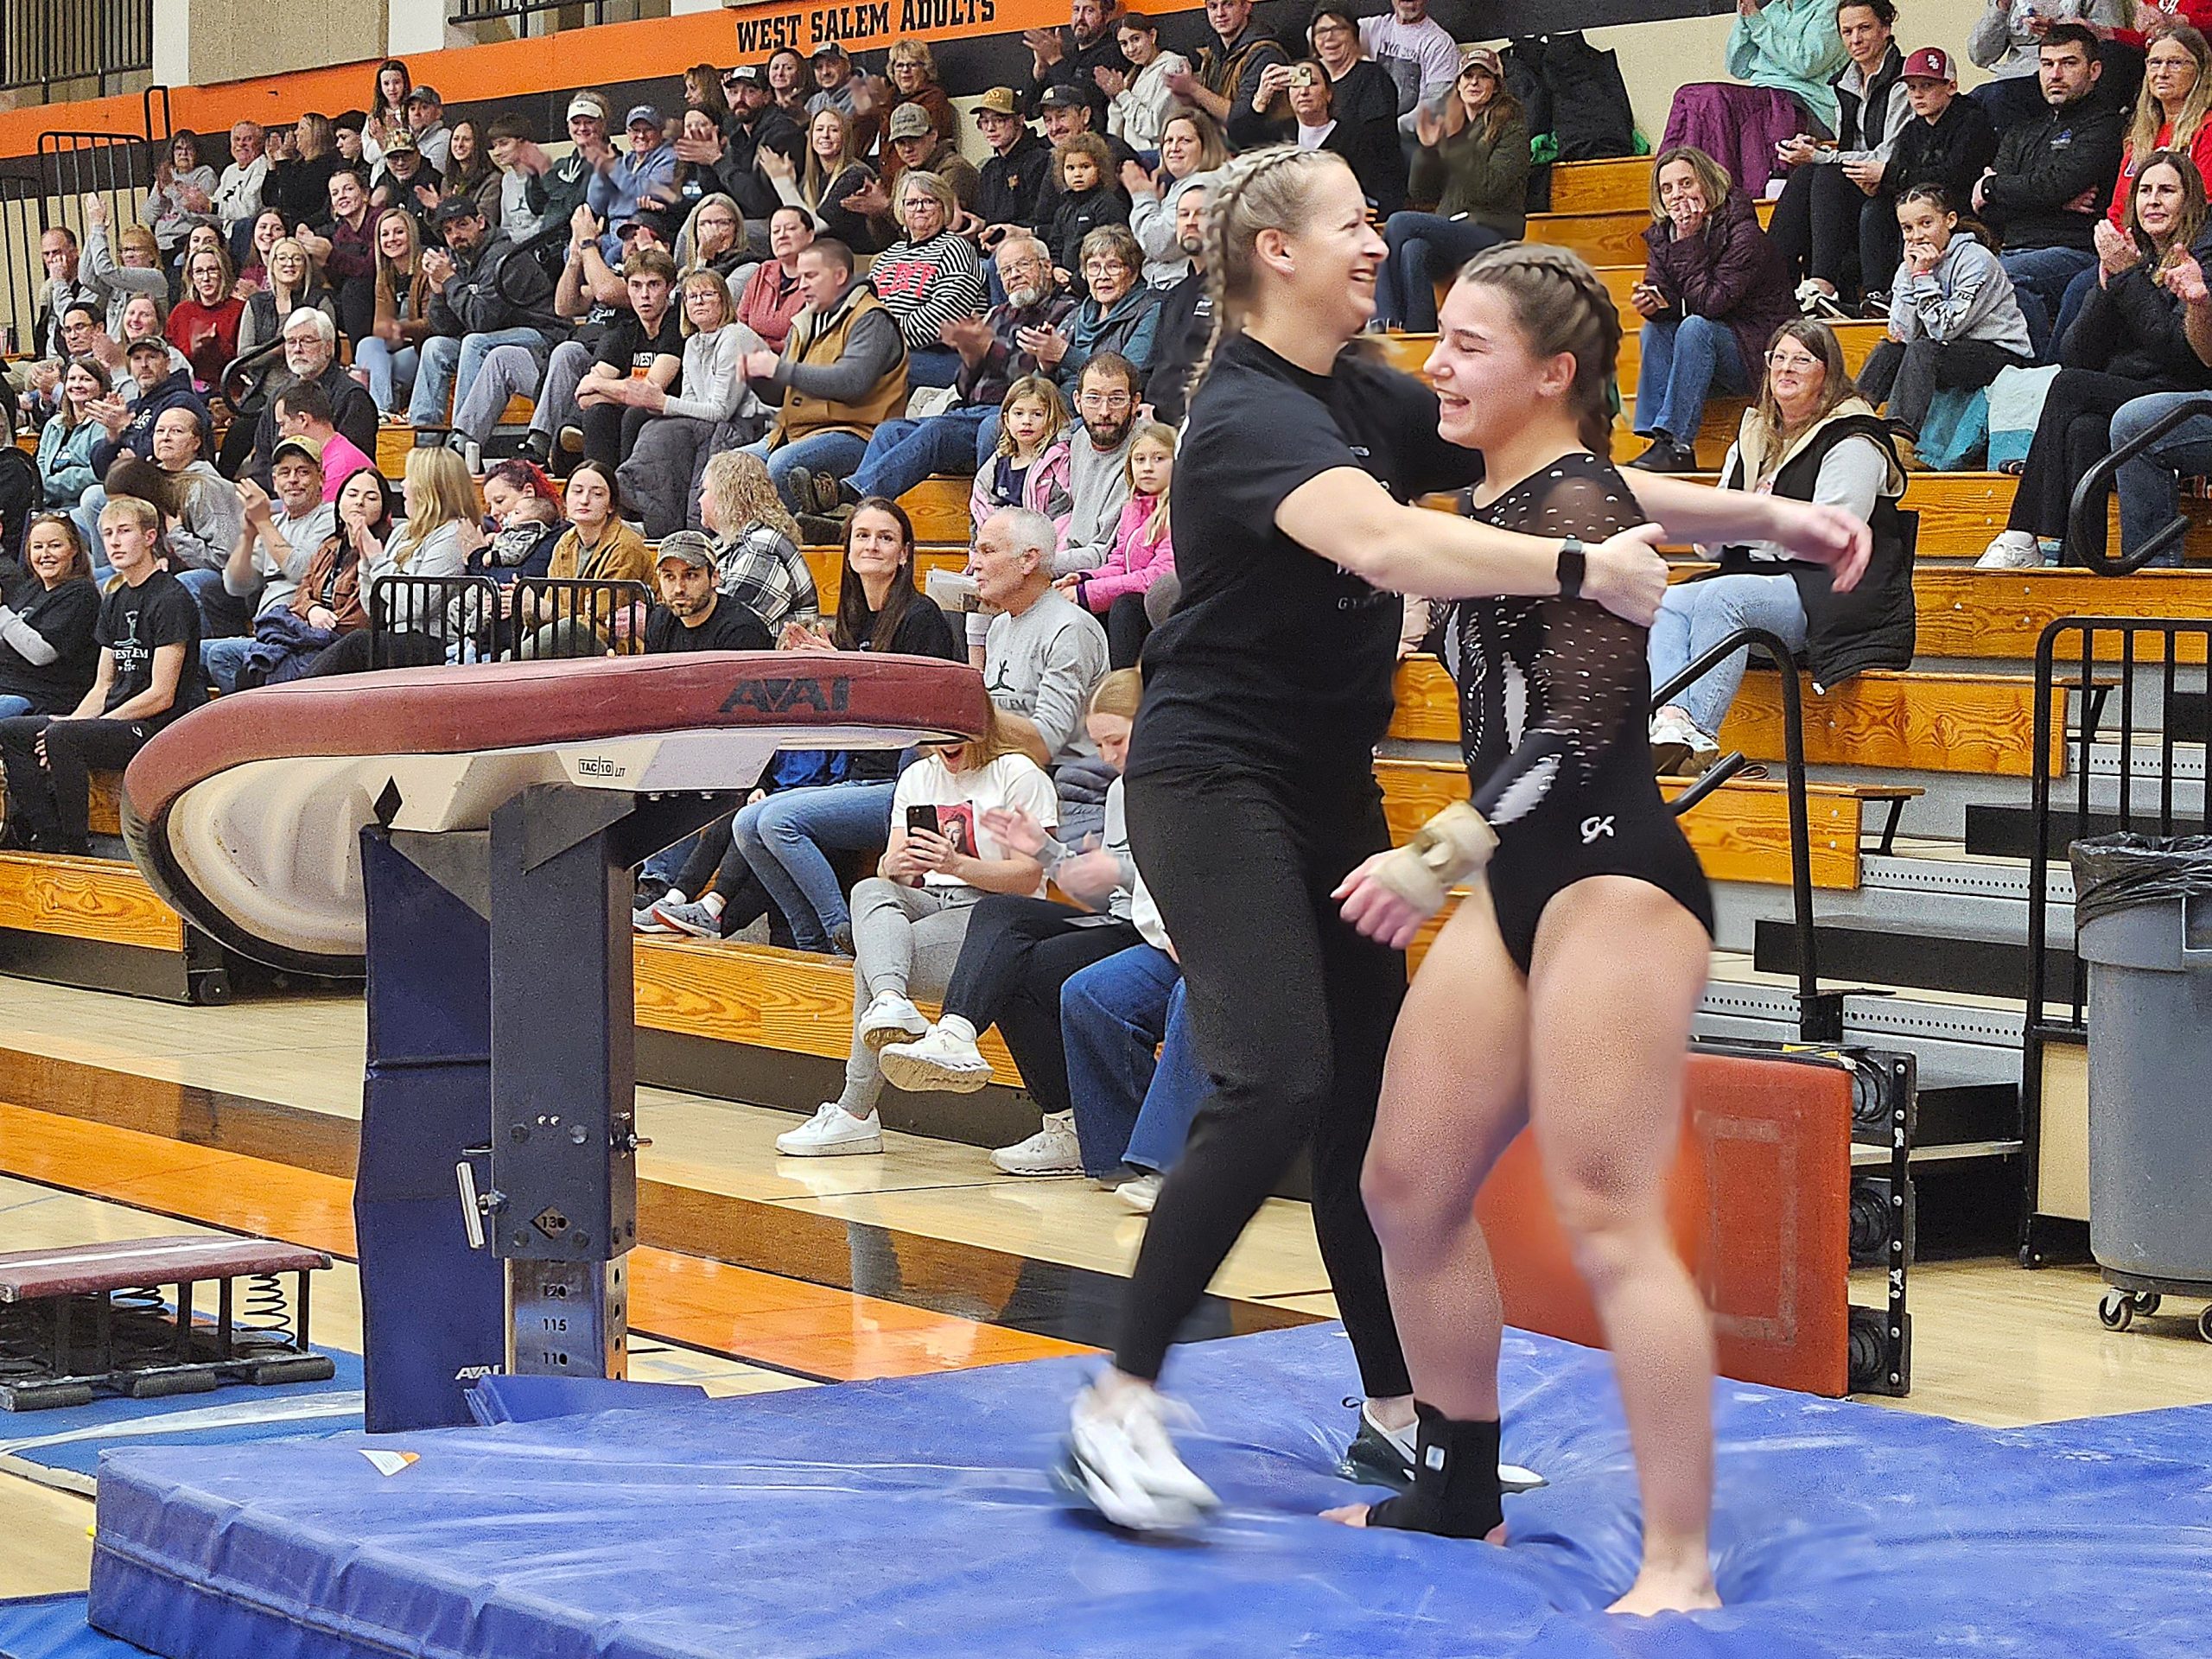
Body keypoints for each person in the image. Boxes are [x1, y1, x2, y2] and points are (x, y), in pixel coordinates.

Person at [1054, 143, 1871, 1541]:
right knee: (1277, 1080)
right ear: (1275, 256)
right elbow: (1392, 545)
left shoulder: (1359, 389)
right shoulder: (1248, 413)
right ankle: (1118, 1404)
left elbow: (1560, 480)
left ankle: (1406, 1422)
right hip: (1212, 773)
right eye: (1355, 224)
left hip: (1329, 782)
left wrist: (1770, 514)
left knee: (1382, 1122)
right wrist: (1577, 574)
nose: (1380, 245)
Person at [1313, 244, 1733, 1619]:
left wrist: (1445, 849)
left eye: (1469, 345)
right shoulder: (1499, 498)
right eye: (1438, 337)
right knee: (1407, 1185)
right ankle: (1459, 1481)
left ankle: (1680, 1558)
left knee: (1610, 1215)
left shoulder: (1583, 502)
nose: (1436, 363)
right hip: (1515, 884)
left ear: (1554, 375)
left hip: (1613, 877)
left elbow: (1582, 721)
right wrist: (1779, 524)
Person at [880, 670, 1145, 1171]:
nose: (1108, 757)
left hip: (1153, 932)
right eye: (1099, 744)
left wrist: (1107, 867)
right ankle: (959, 1036)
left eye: (1117, 741)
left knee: (1014, 961)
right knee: (1003, 926)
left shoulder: (1182, 786)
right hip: (1118, 918)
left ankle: (964, 1039)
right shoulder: (1121, 791)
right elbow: (1103, 887)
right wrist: (1043, 849)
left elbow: (1152, 874)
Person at [774, 701, 1061, 1157]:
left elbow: (1029, 877)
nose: (946, 742)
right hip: (929, 903)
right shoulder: (916, 778)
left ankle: (855, 1111)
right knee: (870, 888)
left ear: (980, 724)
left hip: (994, 919)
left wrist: (958, 864)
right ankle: (890, 1002)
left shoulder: (1018, 775)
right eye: (935, 731)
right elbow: (896, 878)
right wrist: (896, 864)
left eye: (957, 730)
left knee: (871, 963)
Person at [1649, 317, 1912, 772]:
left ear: (1827, 374)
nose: (1786, 369)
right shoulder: (1753, 437)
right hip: (1765, 584)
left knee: (1723, 596)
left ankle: (1699, 732)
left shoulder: (1853, 438)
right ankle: (1669, 723)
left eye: (1802, 360)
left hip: (1833, 594)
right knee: (1663, 602)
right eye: (1778, 358)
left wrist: (1749, 523)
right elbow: (1715, 540)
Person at [1981, 147, 2212, 566]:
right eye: (2144, 190)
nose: (2153, 200)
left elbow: (2182, 357)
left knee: (2070, 389)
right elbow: (2077, 356)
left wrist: (2126, 280)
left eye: (2167, 190)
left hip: (2183, 393)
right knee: (2084, 428)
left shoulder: (2201, 257)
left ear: (2190, 199)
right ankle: (2078, 563)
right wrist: (2106, 289)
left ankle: (2022, 533)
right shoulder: (2130, 256)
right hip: (2134, 389)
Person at [0, 496, 201, 855]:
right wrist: (73, 720)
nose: (114, 541)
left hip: (158, 724)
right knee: (14, 730)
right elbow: (103, 684)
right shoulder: (115, 597)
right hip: (113, 720)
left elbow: (162, 694)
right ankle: (46, 837)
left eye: (124, 532)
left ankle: (77, 848)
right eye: (107, 533)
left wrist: (80, 727)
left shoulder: (170, 598)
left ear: (150, 536)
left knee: (65, 737)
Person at [844, 234, 1077, 505]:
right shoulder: (997, 314)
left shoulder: (1064, 312)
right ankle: (860, 516)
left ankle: (853, 496)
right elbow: (965, 389)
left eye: (1023, 265)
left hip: (1010, 412)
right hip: (971, 411)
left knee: (940, 430)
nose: (1014, 276)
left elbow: (1032, 384)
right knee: (889, 431)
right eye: (1006, 271)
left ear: (1046, 267)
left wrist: (991, 349)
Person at [1629, 145, 1800, 472]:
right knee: (1655, 329)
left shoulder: (1744, 235)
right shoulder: (1666, 236)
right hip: (1709, 352)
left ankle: (1678, 443)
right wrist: (1654, 303)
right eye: (1667, 189)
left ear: (1707, 183)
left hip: (1758, 353)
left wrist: (1688, 240)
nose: (1677, 195)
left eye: (1686, 183)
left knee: (1695, 327)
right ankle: (1660, 440)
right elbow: (1668, 294)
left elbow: (1711, 303)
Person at [1973, 22, 2127, 356]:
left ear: (2094, 69)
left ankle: (2043, 373)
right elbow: (1992, 209)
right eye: (2047, 64)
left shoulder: (2104, 125)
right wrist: (2052, 200)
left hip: (2072, 250)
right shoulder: (2022, 131)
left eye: (2068, 63)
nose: (2055, 74)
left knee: (1992, 277)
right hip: (2013, 247)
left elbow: (2056, 184)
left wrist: (1993, 185)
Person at [1856, 184, 2036, 443]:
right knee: (1888, 350)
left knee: (1923, 349)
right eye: (1907, 228)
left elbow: (1946, 329)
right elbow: (1901, 333)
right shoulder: (1911, 266)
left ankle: (1900, 439)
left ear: (1950, 220)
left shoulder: (1977, 260)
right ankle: (1850, 424)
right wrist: (1910, 275)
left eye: (1926, 223)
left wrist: (1922, 278)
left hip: (2001, 353)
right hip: (1947, 350)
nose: (1916, 236)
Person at [741, 238, 909, 513]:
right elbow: (779, 394)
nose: (802, 284)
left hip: (856, 434)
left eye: (811, 276)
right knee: (731, 466)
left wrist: (780, 370)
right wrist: (758, 378)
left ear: (840, 276)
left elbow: (851, 383)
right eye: (800, 276)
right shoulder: (803, 320)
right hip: (792, 433)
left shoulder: (871, 319)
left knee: (784, 465)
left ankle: (795, 547)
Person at [1769, 1, 1911, 317]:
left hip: (1889, 181)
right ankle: (1776, 284)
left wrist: (1822, 156)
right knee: (1807, 175)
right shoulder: (1843, 82)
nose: (1854, 40)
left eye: (1864, 29)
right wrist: (1815, 148)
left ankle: (1824, 282)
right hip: (1853, 182)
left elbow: (1888, 154)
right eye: (1846, 32)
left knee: (1825, 173)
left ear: (1886, 29)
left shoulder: (1903, 80)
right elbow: (1845, 146)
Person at [1375, 48, 1532, 332]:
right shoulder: (1451, 126)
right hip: (1452, 228)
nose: (1474, 82)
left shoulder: (1512, 128)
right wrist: (1429, 149)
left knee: (1398, 221)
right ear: (1458, 84)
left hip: (1492, 232)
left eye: (1483, 77)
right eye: (1468, 76)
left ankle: (1383, 316)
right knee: (1414, 249)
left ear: (1496, 86)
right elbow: (1420, 191)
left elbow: (1488, 188)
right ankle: (1419, 334)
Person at [618, 271, 771, 539]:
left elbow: (722, 410)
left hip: (753, 423)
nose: (698, 302)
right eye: (691, 297)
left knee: (676, 430)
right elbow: (690, 403)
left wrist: (664, 402)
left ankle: (698, 528)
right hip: (714, 421)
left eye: (707, 295)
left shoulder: (735, 337)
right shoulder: (692, 344)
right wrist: (660, 406)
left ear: (723, 301)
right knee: (659, 427)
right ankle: (658, 519)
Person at [406, 196, 562, 445]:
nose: (456, 235)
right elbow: (445, 328)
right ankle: (424, 438)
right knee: (435, 347)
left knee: (475, 342)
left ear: (480, 222)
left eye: (462, 225)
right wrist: (438, 291)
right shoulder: (458, 260)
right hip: (494, 336)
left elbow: (482, 320)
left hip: (540, 334)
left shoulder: (505, 257)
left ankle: (463, 439)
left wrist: (449, 282)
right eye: (448, 230)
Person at [1664, 0, 1849, 198]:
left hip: (1805, 104)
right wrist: (1746, 17)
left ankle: (1718, 196)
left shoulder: (1830, 7)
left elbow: (1807, 63)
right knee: (1691, 97)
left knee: (1712, 98)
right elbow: (1738, 66)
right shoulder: (1770, 10)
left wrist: (1757, 22)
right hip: (1760, 98)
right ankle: (1679, 187)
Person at [1863, 48, 2003, 302]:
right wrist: (1876, 185)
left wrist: (1890, 175)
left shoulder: (1972, 121)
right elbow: (1899, 176)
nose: (1917, 94)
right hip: (1924, 207)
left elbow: (1953, 176)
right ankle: (1878, 293)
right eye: (1911, 87)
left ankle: (1903, 292)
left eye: (1926, 85)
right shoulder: (1911, 129)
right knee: (1876, 208)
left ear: (1951, 87)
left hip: (1961, 208)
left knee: (1915, 210)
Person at [205, 435, 335, 691]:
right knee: (192, 653)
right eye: (285, 472)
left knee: (220, 654)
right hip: (265, 632)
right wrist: (250, 533)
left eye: (303, 472)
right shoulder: (274, 524)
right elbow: (236, 585)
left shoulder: (329, 519)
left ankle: (253, 723)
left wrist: (263, 522)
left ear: (321, 478)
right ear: (275, 482)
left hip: (295, 636)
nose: (293, 480)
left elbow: (299, 570)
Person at [566, 245, 683, 470]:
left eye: (654, 285)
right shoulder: (624, 331)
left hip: (673, 411)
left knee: (634, 414)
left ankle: (629, 494)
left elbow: (651, 390)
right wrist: (624, 389)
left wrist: (601, 384)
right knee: (597, 414)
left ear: (669, 287)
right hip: (633, 409)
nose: (644, 295)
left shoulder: (677, 325)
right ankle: (602, 488)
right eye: (636, 286)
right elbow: (585, 397)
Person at [1067, 418, 1174, 666]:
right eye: (1140, 459)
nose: (1147, 467)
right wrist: (1085, 579)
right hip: (1132, 600)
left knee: (1124, 606)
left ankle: (1122, 691)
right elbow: (1118, 562)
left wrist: (1086, 594)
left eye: (1158, 459)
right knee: (1071, 603)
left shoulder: (1179, 510)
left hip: (1163, 609)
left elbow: (1156, 578)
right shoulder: (1133, 507)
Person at [869, 171, 985, 389]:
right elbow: (863, 302)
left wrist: (884, 337)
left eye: (928, 201)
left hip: (940, 355)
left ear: (944, 207)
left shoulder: (955, 248)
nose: (919, 208)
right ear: (901, 210)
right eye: (911, 202)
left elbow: (945, 316)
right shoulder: (890, 254)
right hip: (886, 348)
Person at [243, 308, 377, 489]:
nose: (297, 349)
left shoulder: (352, 397)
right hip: (280, 494)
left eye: (307, 341)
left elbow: (349, 469)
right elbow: (262, 459)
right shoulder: (278, 395)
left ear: (328, 347)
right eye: (291, 342)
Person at [1294, 16, 1407, 217]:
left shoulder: (1372, 78)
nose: (1304, 92)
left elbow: (1378, 155)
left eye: (1338, 29)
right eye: (1321, 31)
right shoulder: (1284, 134)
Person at [696, 449, 818, 632]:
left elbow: (723, 627)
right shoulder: (725, 544)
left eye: (706, 490)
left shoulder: (761, 548)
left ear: (727, 496)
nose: (699, 500)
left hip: (775, 659)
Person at [1968, 0, 2130, 130]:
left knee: (1997, 96)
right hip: (2012, 75)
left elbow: (2112, 42)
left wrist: (2061, 30)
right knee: (1968, 104)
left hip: (2059, 75)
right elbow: (1980, 56)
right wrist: (2002, 6)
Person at [0, 516, 100, 722]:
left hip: (41, 697)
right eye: (37, 547)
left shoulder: (81, 594)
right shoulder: (30, 589)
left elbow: (42, 653)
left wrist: (1, 610)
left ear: (73, 550)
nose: (45, 554)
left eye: (55, 545)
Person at [1041, 227, 1160, 394]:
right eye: (1094, 267)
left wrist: (1065, 354)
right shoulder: (1079, 313)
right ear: (1085, 275)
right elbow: (1042, 387)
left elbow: (1129, 378)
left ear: (1133, 274)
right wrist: (1047, 367)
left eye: (1113, 266)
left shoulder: (1149, 311)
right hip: (1062, 405)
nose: (1102, 276)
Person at [1127, 111, 1228, 289]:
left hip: (1180, 289)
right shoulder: (1181, 184)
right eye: (1168, 141)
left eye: (1185, 141)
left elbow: (1158, 244)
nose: (1174, 147)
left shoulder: (1199, 186)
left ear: (1205, 147)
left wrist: (1142, 196)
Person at [1174, 0, 1294, 149]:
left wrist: (1194, 89)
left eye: (1228, 4)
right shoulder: (1214, 53)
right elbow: (1207, 112)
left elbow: (1239, 119)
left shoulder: (1265, 53)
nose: (1220, 13)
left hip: (1261, 152)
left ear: (1246, 7)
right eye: (1213, 6)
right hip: (1222, 147)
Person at [970, 376, 1075, 545]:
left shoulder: (1058, 465)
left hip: (1039, 555)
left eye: (1037, 414)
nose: (1027, 421)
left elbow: (1062, 520)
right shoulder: (994, 466)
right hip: (998, 554)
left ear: (1052, 420)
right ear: (1007, 420)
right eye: (1018, 413)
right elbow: (980, 514)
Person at [766, 106, 883, 255]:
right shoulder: (818, 178)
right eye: (819, 129)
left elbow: (815, 226)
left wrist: (783, 182)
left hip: (857, 261)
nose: (825, 135)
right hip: (827, 258)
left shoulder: (855, 176)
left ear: (845, 137)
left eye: (834, 130)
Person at [1146, 183, 1216, 427]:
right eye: (1183, 214)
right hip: (1153, 425)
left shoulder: (1241, 291)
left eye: (1202, 213)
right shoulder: (1174, 295)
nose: (1191, 222)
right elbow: (1155, 363)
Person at [643, 531, 774, 655]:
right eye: (669, 577)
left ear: (714, 577)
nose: (678, 588)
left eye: (690, 575)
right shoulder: (660, 620)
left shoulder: (741, 631)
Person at [296, 167, 381, 343]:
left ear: (365, 194)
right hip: (356, 302)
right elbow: (339, 279)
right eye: (335, 193)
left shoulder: (379, 220)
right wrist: (322, 263)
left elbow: (371, 269)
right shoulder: (342, 232)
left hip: (385, 293)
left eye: (348, 189)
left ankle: (361, 355)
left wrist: (331, 256)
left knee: (354, 289)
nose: (341, 196)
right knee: (320, 296)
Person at [360, 208, 431, 418]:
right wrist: (391, 332)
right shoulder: (385, 274)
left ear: (411, 234)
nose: (391, 239)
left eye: (398, 232)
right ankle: (381, 412)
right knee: (367, 345)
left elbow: (432, 324)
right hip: (395, 354)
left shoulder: (428, 266)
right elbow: (380, 329)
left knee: (374, 370)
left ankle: (380, 412)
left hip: (422, 353)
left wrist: (400, 329)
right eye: (385, 234)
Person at [1046, 135, 1133, 296]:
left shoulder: (1106, 203)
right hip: (1065, 286)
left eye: (1085, 167)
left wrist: (1079, 281)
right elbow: (1056, 244)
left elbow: (1113, 248)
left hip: (1096, 285)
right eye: (1070, 168)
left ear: (1099, 168)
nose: (1077, 174)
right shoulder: (1063, 210)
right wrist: (1056, 268)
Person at [270, 378, 375, 503]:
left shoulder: (339, 468)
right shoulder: (334, 453)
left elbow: (320, 520)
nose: (281, 434)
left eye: (283, 424)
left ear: (303, 419)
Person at [975, 87, 1056, 249]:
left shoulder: (1042, 161)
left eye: (999, 120)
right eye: (984, 121)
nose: (990, 128)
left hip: (1029, 247)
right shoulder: (989, 169)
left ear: (1020, 120)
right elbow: (984, 219)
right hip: (993, 249)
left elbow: (1042, 221)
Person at [1358, 0, 1461, 123]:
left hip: (1408, 135)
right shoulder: (1371, 28)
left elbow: (1438, 106)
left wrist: (1389, 129)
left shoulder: (1440, 44)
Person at [1026, 0, 1128, 124]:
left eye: (1089, 11)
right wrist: (1041, 73)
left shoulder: (1114, 52)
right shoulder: (1067, 56)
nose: (1080, 18)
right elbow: (1029, 112)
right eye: (1076, 10)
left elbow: (1085, 102)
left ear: (1106, 16)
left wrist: (1055, 59)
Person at [879, 102, 982, 222]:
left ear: (933, 135)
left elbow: (935, 225)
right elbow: (890, 237)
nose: (908, 149)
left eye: (914, 139)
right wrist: (876, 213)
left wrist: (884, 208)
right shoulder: (903, 174)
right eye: (900, 143)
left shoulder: (956, 170)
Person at [1101, 12, 1190, 152]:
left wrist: (1121, 95)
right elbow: (1116, 131)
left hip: (1159, 156)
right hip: (1132, 157)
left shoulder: (1173, 66)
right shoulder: (1136, 74)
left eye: (1136, 39)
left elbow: (1155, 127)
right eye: (1124, 44)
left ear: (1152, 36)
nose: (1131, 49)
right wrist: (1115, 98)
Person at [588, 106, 677, 244]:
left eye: (648, 130)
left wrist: (615, 193)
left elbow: (651, 192)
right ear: (627, 133)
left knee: (612, 255)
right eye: (636, 130)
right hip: (613, 230)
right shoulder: (625, 161)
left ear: (660, 132)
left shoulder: (669, 156)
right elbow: (597, 204)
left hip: (641, 230)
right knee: (574, 250)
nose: (641, 136)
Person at [734, 206, 813, 352]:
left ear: (810, 235)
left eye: (790, 229)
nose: (782, 235)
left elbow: (807, 340)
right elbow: (740, 326)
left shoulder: (820, 277)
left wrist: (761, 345)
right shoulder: (763, 271)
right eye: (775, 231)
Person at [168, 246, 245, 394]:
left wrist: (214, 346)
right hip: (188, 391)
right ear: (191, 277)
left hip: (230, 392)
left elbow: (244, 361)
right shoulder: (181, 312)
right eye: (199, 271)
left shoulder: (240, 309)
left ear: (223, 273)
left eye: (212, 270)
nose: (206, 278)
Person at [35, 362, 109, 510]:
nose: (77, 384)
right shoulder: (54, 424)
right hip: (47, 502)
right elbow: (40, 464)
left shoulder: (104, 425)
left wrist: (49, 484)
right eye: (72, 379)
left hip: (79, 505)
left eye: (86, 379)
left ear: (101, 387)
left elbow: (96, 473)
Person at [146, 130, 219, 264]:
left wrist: (171, 189)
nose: (183, 153)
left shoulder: (205, 175)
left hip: (186, 240)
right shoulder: (167, 175)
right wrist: (160, 193)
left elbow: (197, 214)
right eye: (179, 148)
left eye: (189, 149)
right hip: (161, 242)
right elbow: (149, 216)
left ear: (197, 153)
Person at [213, 123, 270, 262]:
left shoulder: (263, 165)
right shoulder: (229, 171)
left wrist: (211, 207)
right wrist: (192, 201)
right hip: (225, 237)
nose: (241, 144)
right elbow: (215, 207)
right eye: (236, 139)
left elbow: (249, 208)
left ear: (260, 143)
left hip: (248, 238)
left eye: (248, 139)